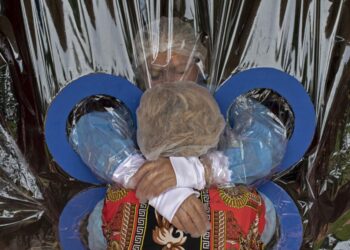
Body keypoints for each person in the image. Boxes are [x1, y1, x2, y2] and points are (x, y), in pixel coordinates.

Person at [69, 17, 286, 249]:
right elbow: (90, 132)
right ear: (141, 74)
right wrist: (155, 184)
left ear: (199, 63)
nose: (167, 81)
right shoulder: (136, 103)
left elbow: (267, 143)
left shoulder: (225, 100)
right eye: (154, 74)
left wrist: (198, 171)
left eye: (179, 70)